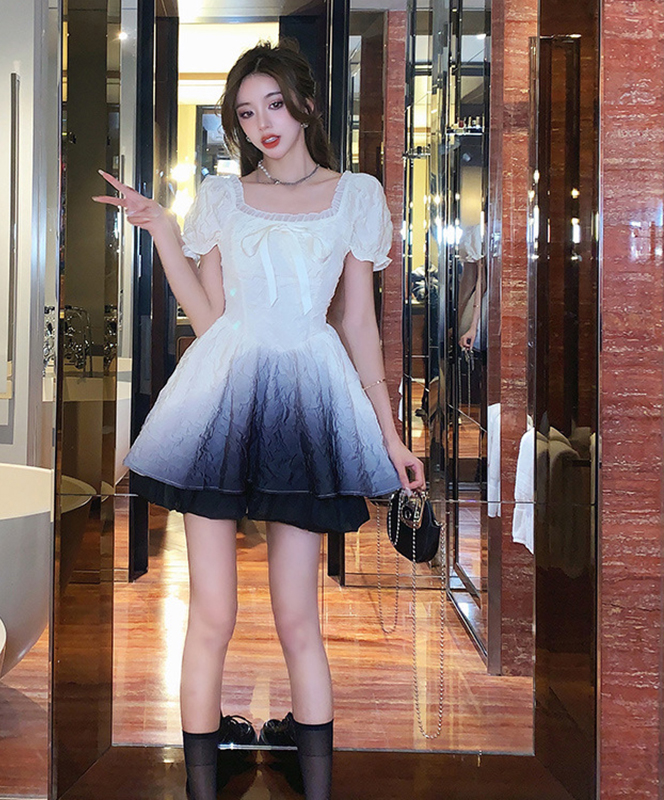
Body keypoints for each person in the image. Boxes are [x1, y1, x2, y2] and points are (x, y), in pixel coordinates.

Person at [93, 40, 424, 800]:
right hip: (221, 403)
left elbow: (359, 326)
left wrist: (390, 435)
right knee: (211, 612)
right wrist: (161, 229)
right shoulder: (221, 196)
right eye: (246, 113)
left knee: (297, 618)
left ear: (305, 104)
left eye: (274, 104)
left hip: (308, 403)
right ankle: (202, 785)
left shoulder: (356, 194)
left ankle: (312, 781)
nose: (263, 123)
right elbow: (211, 320)